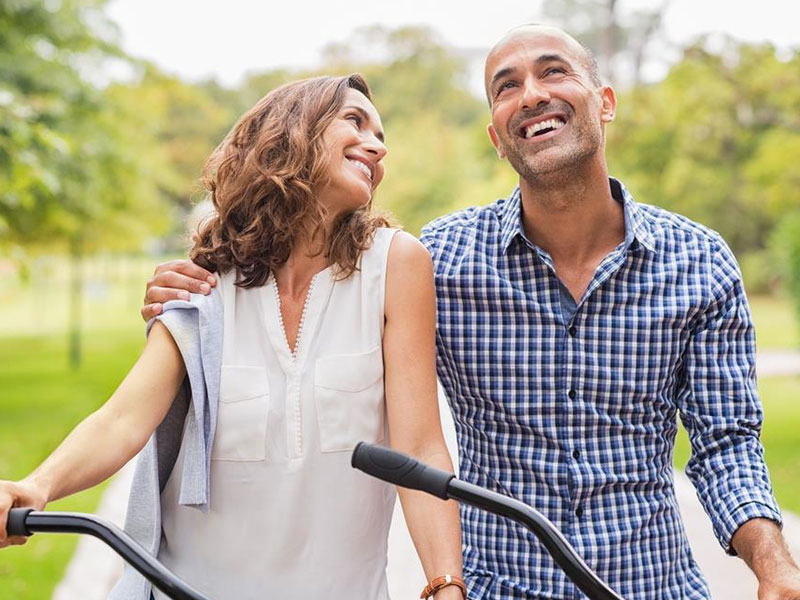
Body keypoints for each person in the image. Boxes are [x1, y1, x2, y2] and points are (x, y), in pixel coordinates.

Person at [139, 25, 800, 599]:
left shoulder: (699, 261)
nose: (532, 94)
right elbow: (316, 291)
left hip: (651, 586)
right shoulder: (439, 260)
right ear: (496, 136)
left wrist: (773, 567)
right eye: (506, 86)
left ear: (604, 102)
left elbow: (726, 446)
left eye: (553, 72)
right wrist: (209, 278)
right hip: (495, 587)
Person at [0, 74, 466, 600]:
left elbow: (420, 446)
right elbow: (124, 418)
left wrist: (445, 584)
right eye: (354, 121)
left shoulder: (395, 264)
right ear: (293, 132)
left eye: (381, 135)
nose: (378, 145)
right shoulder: (204, 280)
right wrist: (34, 486)